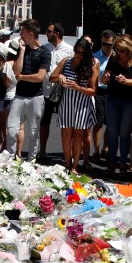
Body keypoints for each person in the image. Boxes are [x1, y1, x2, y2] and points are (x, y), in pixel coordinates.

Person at [50, 38, 97, 174]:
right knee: (65, 134)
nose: (79, 55)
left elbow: (94, 91)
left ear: (87, 53)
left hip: (82, 104)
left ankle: (75, 165)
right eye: (77, 51)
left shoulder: (91, 67)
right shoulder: (66, 61)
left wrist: (78, 87)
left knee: (78, 135)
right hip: (67, 102)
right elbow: (51, 77)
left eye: (82, 53)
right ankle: (68, 162)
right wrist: (60, 76)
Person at [7, 19, 50, 161]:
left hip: (35, 97)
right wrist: (22, 51)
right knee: (11, 129)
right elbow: (15, 71)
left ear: (30, 34)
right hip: (19, 95)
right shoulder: (20, 48)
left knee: (33, 132)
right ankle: (10, 159)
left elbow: (40, 77)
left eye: (22, 32)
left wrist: (22, 77)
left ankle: (31, 160)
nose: (20, 35)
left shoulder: (45, 52)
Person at [102, 34, 132, 175]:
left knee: (124, 133)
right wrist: (104, 77)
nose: (119, 53)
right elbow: (105, 75)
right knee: (112, 131)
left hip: (130, 100)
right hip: (113, 97)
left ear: (129, 49)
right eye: (117, 50)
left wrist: (126, 81)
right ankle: (112, 162)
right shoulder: (114, 58)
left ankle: (123, 163)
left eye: (122, 51)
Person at [39, 23, 73, 160]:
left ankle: (66, 154)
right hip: (46, 91)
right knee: (44, 122)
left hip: (62, 93)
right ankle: (42, 151)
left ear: (57, 33)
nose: (46, 34)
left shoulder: (69, 50)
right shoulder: (44, 48)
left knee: (65, 124)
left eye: (49, 31)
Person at [91, 29, 115, 162]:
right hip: (99, 91)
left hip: (112, 92)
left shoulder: (117, 57)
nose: (106, 47)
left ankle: (105, 148)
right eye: (104, 44)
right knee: (98, 122)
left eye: (109, 44)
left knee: (110, 124)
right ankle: (96, 150)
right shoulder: (95, 57)